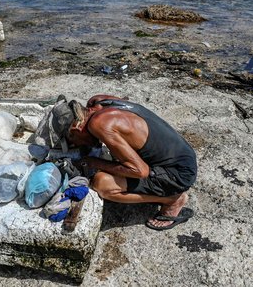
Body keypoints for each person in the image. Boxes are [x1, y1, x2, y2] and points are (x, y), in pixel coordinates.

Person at [56, 95, 197, 231]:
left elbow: (140, 171)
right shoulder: (98, 101)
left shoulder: (99, 124)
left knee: (102, 183)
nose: (73, 144)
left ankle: (171, 200)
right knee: (115, 158)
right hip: (183, 154)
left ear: (76, 128)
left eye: (70, 138)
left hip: (177, 174)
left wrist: (94, 162)